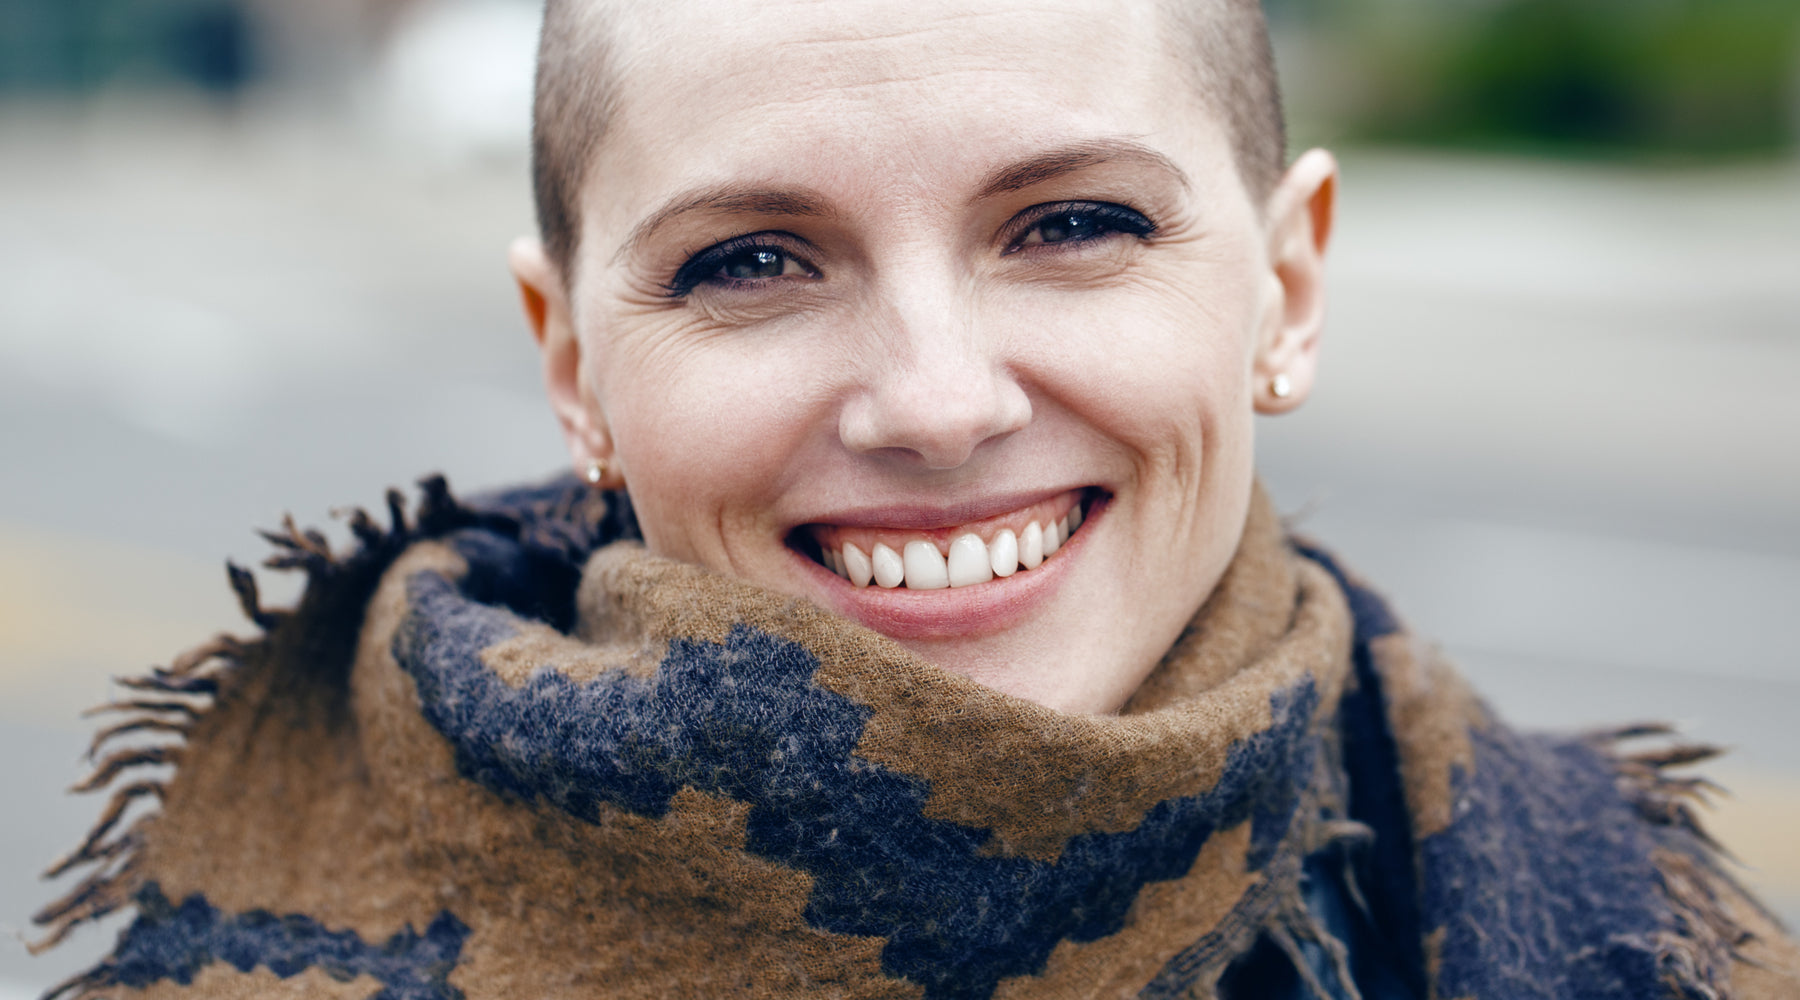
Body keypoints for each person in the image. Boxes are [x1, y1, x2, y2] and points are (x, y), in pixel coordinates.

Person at [35, 1, 1800, 997]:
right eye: (751, 260)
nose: (941, 404)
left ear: (1288, 287)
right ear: (572, 362)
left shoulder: (1626, 932)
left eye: (1075, 225)